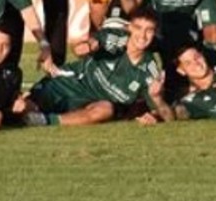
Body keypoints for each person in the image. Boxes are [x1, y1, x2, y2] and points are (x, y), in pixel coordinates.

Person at [19, 8, 166, 127]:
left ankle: (46, 121)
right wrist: (88, 46)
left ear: (155, 33)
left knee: (106, 109)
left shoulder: (150, 68)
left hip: (91, 104)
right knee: (22, 108)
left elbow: (164, 113)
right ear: (129, 28)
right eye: (138, 28)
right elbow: (93, 42)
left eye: (149, 30)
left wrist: (156, 110)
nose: (142, 35)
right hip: (70, 83)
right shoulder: (114, 39)